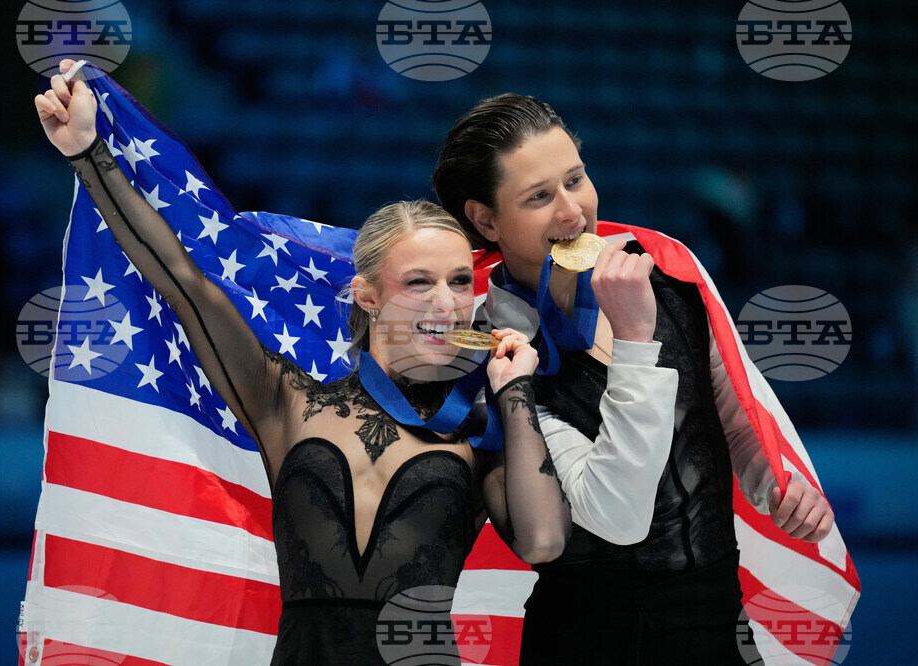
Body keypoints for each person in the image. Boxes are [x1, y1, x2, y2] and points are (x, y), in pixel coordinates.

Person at [35, 64, 571, 665]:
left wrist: (517, 392)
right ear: (368, 296)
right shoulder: (285, 400)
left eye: (455, 281)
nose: (446, 302)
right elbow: (182, 280)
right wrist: (89, 153)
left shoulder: (478, 425)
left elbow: (544, 541)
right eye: (419, 282)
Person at [432, 93, 835, 665]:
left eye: (576, 178)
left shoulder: (671, 274)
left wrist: (779, 488)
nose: (572, 211)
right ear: (484, 218)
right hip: (587, 640)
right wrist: (636, 340)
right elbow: (614, 515)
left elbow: (731, 426)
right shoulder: (487, 351)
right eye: (539, 196)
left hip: (717, 626)